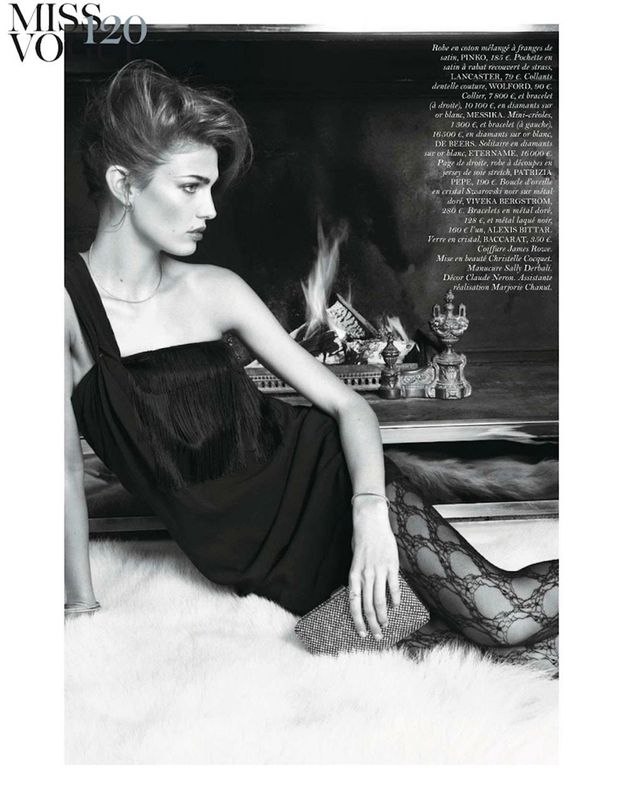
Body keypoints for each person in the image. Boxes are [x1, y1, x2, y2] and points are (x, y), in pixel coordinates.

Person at [65, 61, 558, 672]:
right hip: (251, 557)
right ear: (123, 183)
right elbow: (61, 471)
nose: (210, 209)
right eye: (191, 187)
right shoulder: (59, 307)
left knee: (505, 618)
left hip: (333, 485)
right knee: (470, 652)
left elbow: (348, 405)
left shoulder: (215, 289)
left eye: (211, 188)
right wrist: (80, 606)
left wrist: (370, 511)